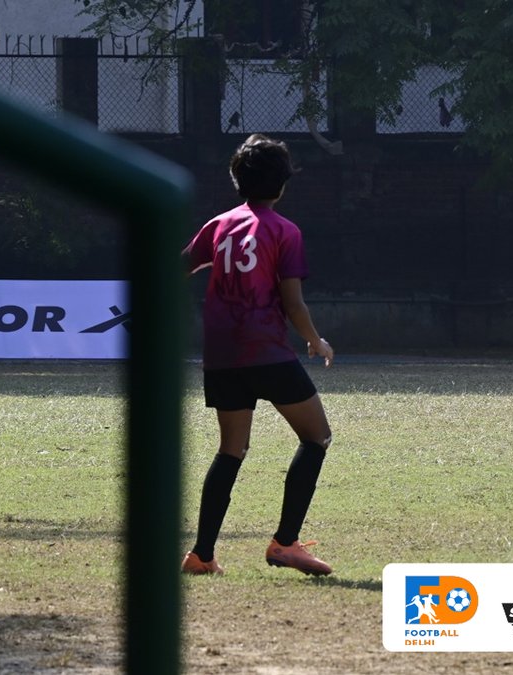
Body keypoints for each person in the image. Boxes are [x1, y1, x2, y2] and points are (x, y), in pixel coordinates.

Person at [180, 134, 335, 576]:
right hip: (265, 351)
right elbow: (293, 302)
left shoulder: (218, 225)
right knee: (317, 437)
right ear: (283, 183)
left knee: (231, 450)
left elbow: (179, 266)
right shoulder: (285, 231)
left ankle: (201, 555)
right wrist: (314, 340)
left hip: (222, 355)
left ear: (237, 180)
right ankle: (285, 543)